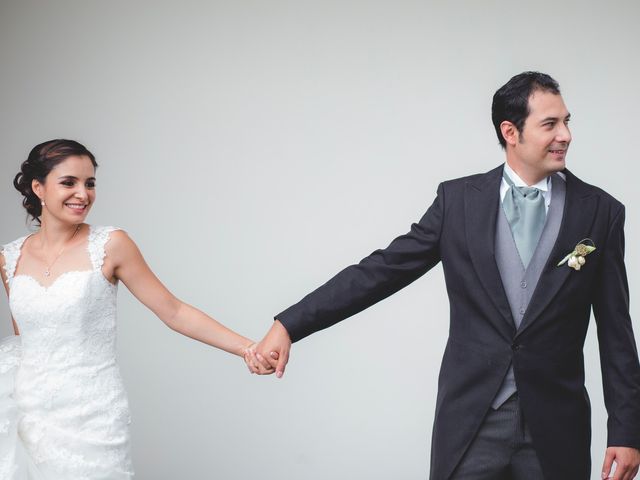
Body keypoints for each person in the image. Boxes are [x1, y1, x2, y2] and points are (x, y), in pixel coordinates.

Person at [252, 72, 640, 479]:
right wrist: (289, 324)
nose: (565, 135)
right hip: (471, 423)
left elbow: (616, 330)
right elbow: (381, 271)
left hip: (556, 428)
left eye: (567, 121)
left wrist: (627, 431)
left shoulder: (599, 212)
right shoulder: (457, 203)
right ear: (511, 132)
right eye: (550, 124)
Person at [0, 139, 272, 479]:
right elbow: (25, 338)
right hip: (30, 413)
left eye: (90, 183)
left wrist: (248, 347)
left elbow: (173, 311)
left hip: (91, 414)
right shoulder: (9, 258)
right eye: (69, 182)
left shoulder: (112, 244)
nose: (83, 194)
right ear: (38, 187)